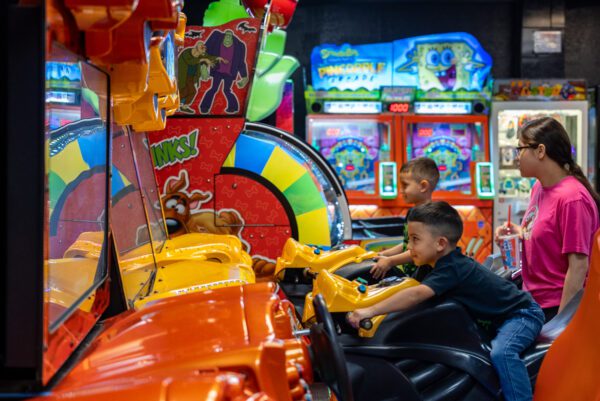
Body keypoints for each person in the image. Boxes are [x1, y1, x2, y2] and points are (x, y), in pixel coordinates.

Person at [348, 201, 545, 401]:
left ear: (440, 244)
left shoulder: (451, 268)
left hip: (521, 315)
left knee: (502, 353)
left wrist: (370, 310)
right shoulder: (435, 264)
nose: (409, 247)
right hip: (496, 320)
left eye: (415, 240)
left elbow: (415, 295)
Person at [495, 117, 600, 322]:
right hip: (532, 301)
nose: (517, 156)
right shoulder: (539, 187)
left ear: (540, 151)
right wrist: (518, 233)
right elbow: (550, 233)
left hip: (555, 308)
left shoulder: (572, 199)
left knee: (502, 354)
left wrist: (560, 325)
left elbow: (578, 267)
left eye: (520, 148)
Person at [370, 157, 439, 279]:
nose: (401, 190)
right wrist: (382, 254)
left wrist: (390, 261)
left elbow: (419, 251)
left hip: (424, 277)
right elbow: (406, 245)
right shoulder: (413, 212)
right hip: (412, 275)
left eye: (405, 185)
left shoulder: (428, 217)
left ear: (423, 186)